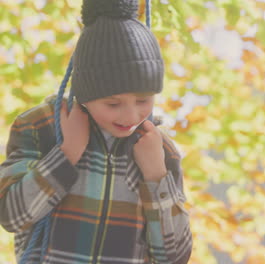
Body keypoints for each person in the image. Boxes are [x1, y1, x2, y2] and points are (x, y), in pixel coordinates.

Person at [0, 0, 192, 263]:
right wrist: (67, 153)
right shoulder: (40, 127)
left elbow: (175, 257)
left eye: (143, 101)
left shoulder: (159, 149)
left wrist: (156, 175)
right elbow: (11, 215)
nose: (130, 116)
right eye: (113, 103)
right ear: (85, 91)